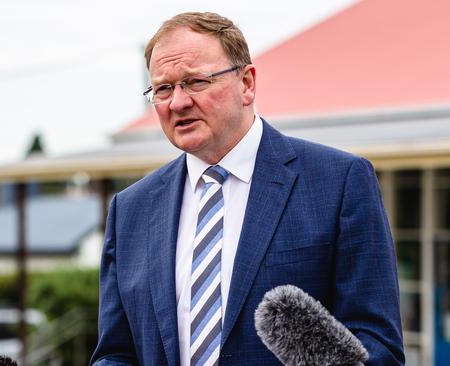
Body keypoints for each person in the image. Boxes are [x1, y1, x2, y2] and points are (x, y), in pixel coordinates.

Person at [90, 11, 404, 366]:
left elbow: (378, 348)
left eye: (195, 82)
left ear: (247, 83)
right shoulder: (130, 209)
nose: (177, 102)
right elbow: (116, 353)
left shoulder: (339, 182)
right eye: (163, 88)